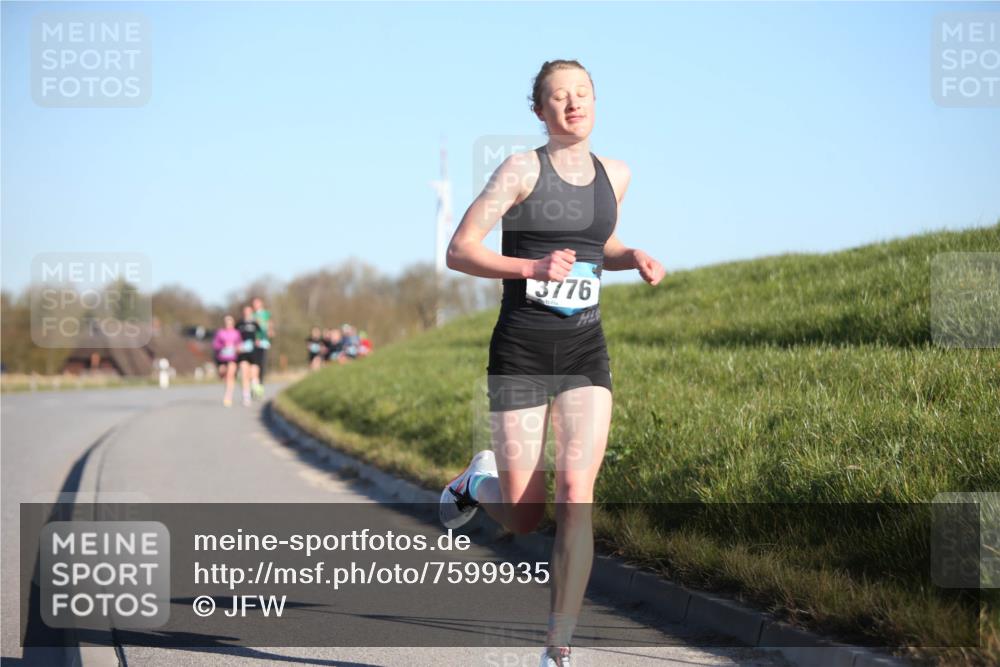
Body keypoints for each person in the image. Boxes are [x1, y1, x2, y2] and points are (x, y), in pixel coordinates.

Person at [439, 60, 664, 667]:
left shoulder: (615, 174)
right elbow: (460, 250)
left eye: (582, 93)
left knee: (575, 492)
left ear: (595, 100)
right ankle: (474, 482)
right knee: (522, 515)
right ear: (539, 110)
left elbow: (599, 245)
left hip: (585, 349)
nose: (573, 103)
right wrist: (530, 268)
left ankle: (558, 647)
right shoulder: (520, 169)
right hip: (522, 350)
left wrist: (632, 256)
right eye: (559, 96)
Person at [212, 315, 241, 406]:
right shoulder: (220, 332)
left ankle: (228, 396)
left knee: (230, 375)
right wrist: (223, 346)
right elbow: (215, 344)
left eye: (230, 323)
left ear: (233, 323)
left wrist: (237, 348)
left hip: (233, 358)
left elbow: (239, 344)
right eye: (227, 323)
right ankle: (226, 385)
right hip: (222, 357)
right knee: (223, 374)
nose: (228, 324)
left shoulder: (236, 333)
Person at [236, 305, 261, 406]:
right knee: (244, 373)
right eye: (245, 311)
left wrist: (258, 340)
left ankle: (255, 388)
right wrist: (237, 346)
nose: (247, 313)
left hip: (254, 351)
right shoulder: (239, 323)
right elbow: (235, 336)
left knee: (253, 374)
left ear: (251, 312)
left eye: (249, 311)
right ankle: (246, 396)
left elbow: (260, 334)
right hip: (243, 352)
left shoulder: (255, 323)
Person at [252, 297, 274, 397]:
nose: (255, 305)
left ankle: (260, 385)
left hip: (264, 342)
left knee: (262, 364)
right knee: (254, 365)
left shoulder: (266, 314)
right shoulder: (252, 315)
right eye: (254, 303)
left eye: (257, 303)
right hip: (254, 343)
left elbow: (270, 325)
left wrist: (270, 331)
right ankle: (254, 384)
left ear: (261, 303)